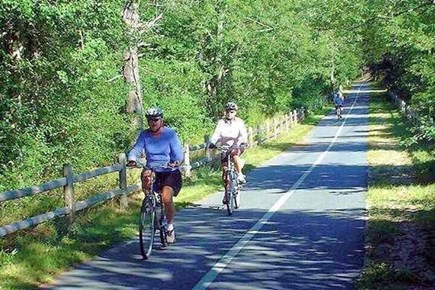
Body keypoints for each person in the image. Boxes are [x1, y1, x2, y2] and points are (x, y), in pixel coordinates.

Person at [127, 107, 184, 244]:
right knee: (146, 175)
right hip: (153, 168)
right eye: (150, 120)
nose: (153, 123)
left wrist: (175, 162)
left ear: (161, 120)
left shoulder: (170, 134)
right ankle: (151, 203)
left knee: (166, 197)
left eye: (156, 120)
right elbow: (137, 149)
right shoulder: (144, 135)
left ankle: (170, 227)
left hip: (169, 170)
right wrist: (132, 158)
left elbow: (177, 152)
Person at [208, 102, 248, 203]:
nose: (229, 113)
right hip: (225, 147)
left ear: (235, 112)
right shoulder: (221, 122)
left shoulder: (239, 122)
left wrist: (244, 142)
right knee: (225, 173)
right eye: (228, 111)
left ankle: (239, 174)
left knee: (234, 155)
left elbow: (243, 134)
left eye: (232, 111)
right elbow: (216, 134)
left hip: (237, 145)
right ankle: (227, 193)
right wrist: (212, 142)